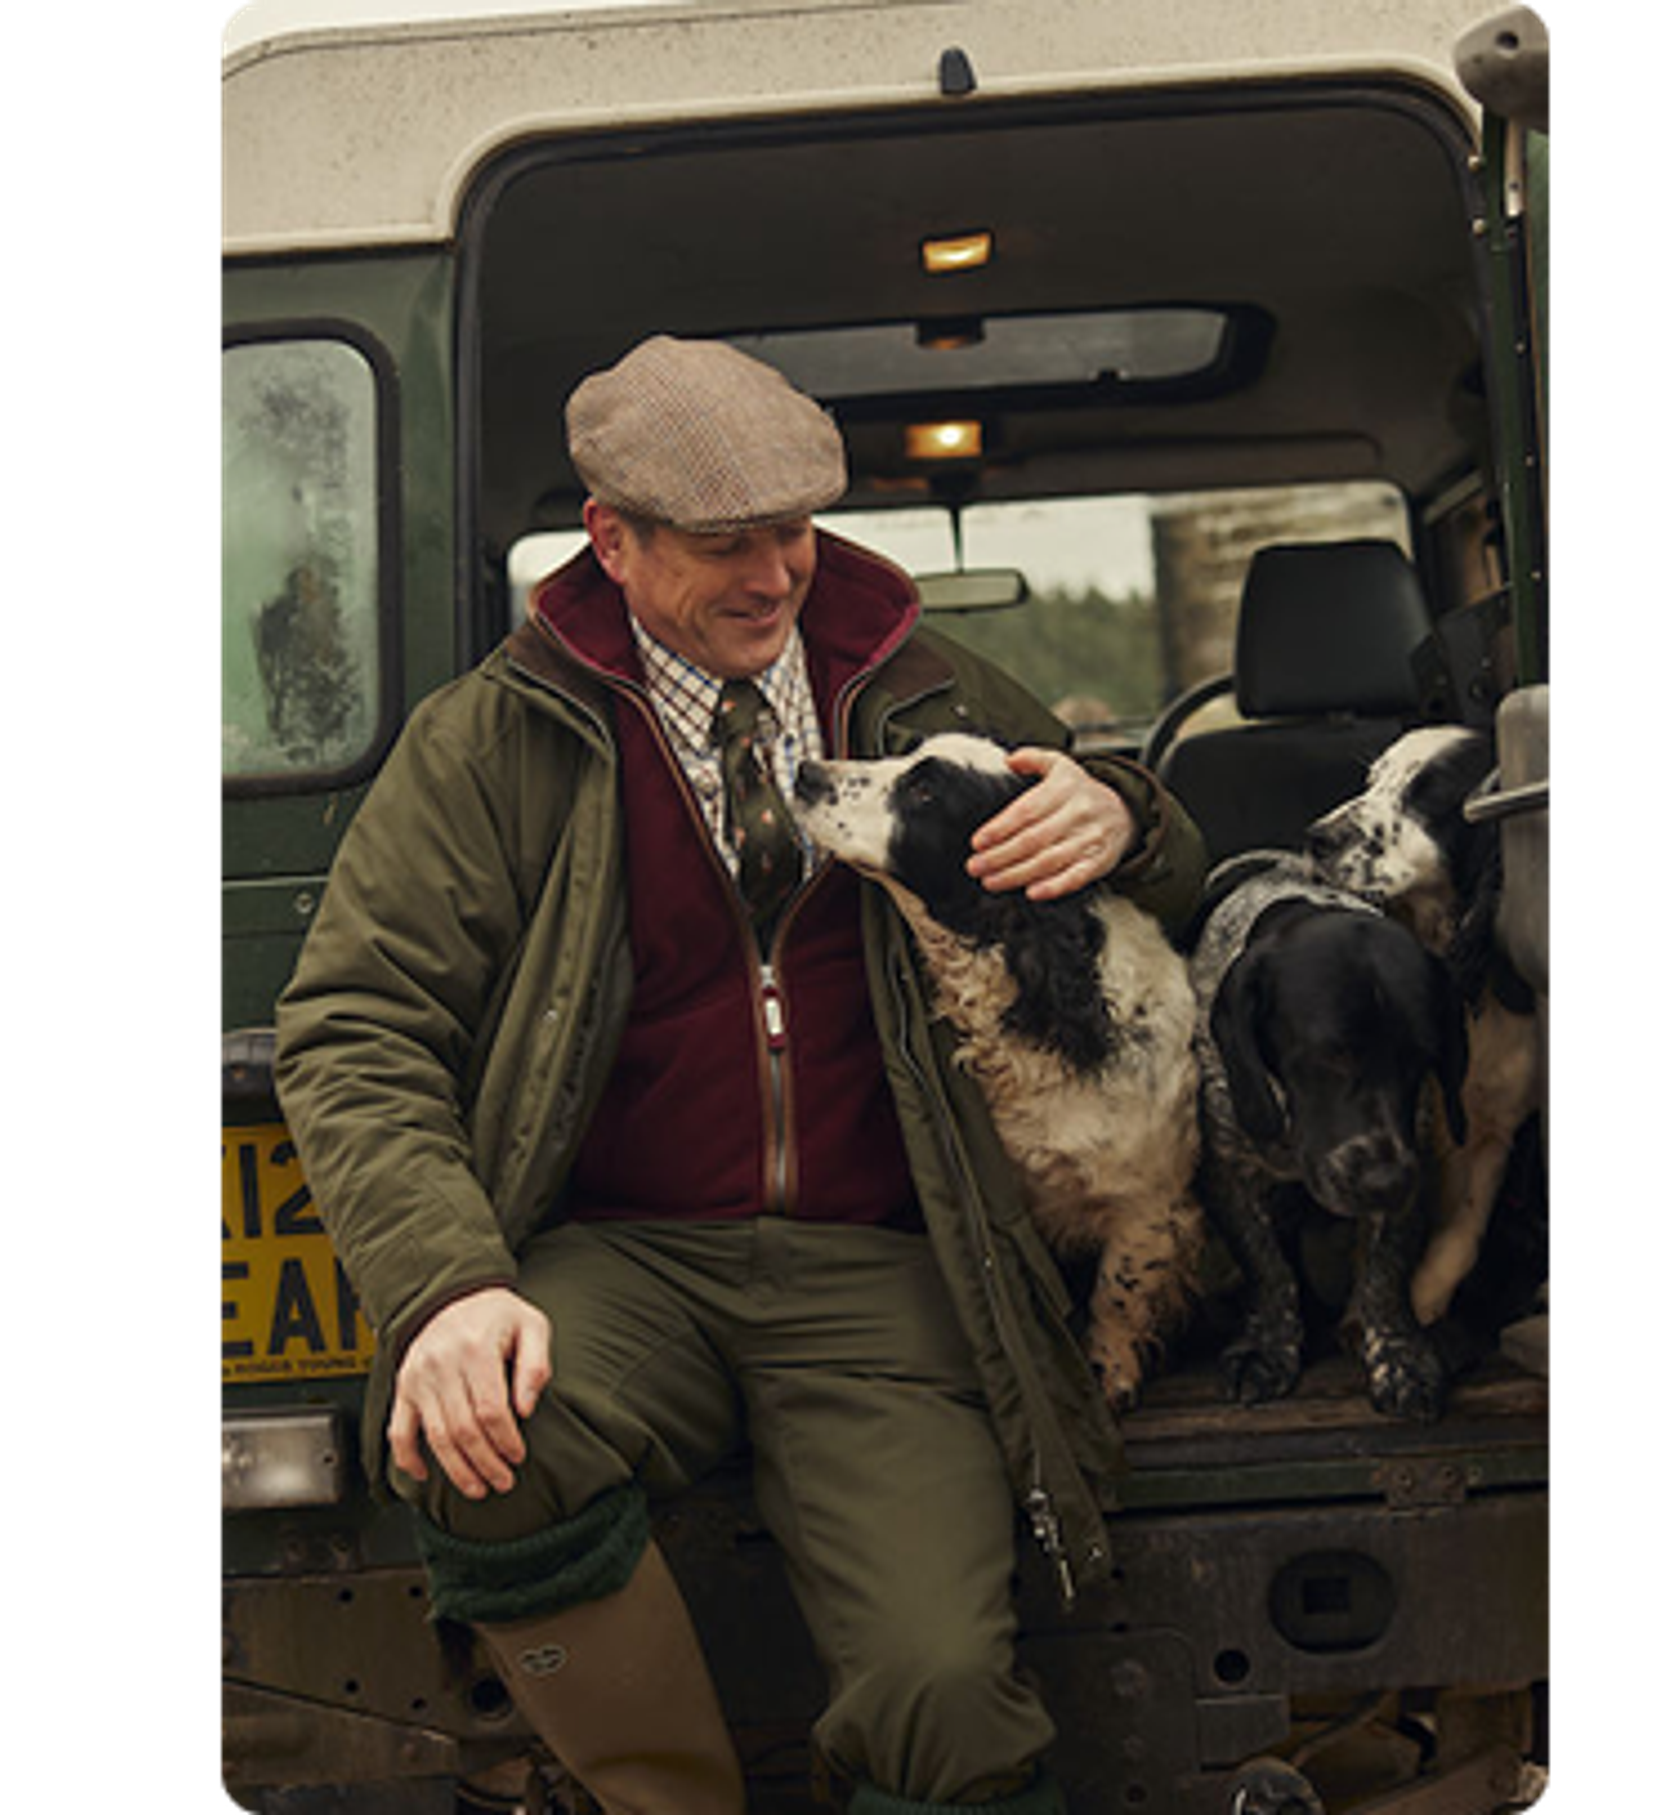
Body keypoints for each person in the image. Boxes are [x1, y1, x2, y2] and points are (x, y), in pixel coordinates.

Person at [276, 335, 1207, 1811]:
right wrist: (446, 1287)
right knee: (479, 1435)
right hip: (619, 1257)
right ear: (613, 542)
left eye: (795, 531)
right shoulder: (490, 742)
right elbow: (355, 1023)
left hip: (884, 1262)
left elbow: (1165, 874)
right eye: (725, 543)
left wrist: (1126, 812)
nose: (776, 576)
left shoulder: (924, 684)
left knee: (942, 1692)